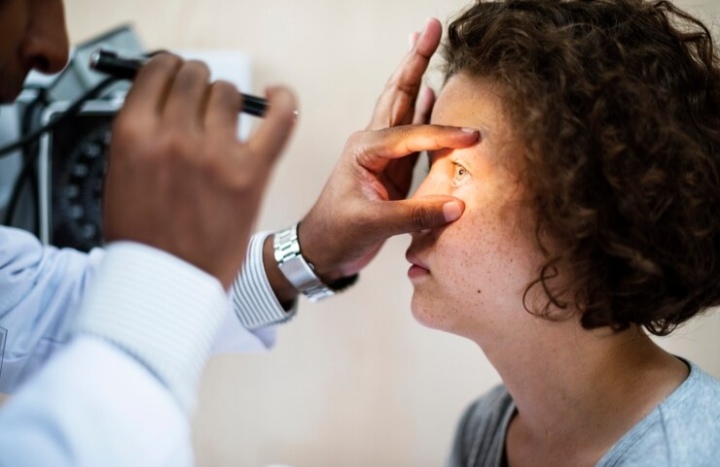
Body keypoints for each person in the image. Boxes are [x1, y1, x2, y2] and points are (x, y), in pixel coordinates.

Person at [0, 1, 479, 466]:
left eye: (458, 172)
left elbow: (31, 309)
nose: (56, 49)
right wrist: (150, 267)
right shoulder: (478, 435)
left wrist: (310, 248)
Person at [404, 0, 720, 465]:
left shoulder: (696, 453)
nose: (412, 208)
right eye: (429, 166)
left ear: (587, 206)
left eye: (459, 171)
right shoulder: (483, 430)